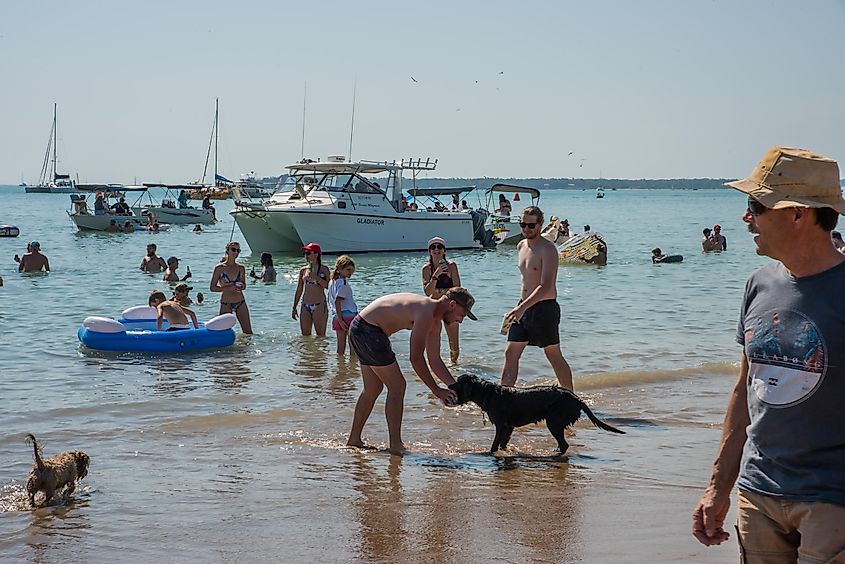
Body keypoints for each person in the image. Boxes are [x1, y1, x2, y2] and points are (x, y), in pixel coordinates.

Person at [692, 146, 845, 560]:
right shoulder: (758, 285)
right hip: (758, 491)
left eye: (756, 206)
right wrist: (718, 487)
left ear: (798, 213)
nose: (747, 218)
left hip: (833, 499)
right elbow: (745, 389)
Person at [346, 288, 475, 455]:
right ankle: (395, 445)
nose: (461, 320)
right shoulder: (426, 311)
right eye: (462, 315)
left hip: (360, 329)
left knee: (373, 389)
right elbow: (416, 358)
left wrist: (454, 387)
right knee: (398, 386)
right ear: (452, 304)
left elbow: (434, 360)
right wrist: (436, 390)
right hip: (369, 331)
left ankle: (354, 440)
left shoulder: (434, 322)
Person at [501, 206, 573, 390]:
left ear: (540, 225)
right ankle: (503, 398)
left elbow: (546, 285)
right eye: (523, 225)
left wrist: (522, 308)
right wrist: (521, 307)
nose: (526, 229)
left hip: (544, 308)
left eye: (531, 225)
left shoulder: (548, 249)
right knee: (510, 354)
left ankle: (571, 399)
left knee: (553, 355)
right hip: (522, 306)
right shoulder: (521, 245)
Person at [421, 236, 463, 364]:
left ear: (444, 250)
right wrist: (436, 276)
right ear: (429, 252)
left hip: (450, 307)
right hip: (434, 307)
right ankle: (434, 365)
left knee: (454, 343)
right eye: (433, 247)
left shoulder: (452, 266)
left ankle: (454, 367)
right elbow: (428, 292)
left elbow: (457, 289)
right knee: (433, 340)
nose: (436, 250)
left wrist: (440, 290)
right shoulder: (426, 269)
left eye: (439, 247)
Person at [210, 241, 252, 334]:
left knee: (248, 332)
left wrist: (241, 286)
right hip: (226, 303)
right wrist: (228, 288)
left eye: (238, 250)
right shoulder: (219, 268)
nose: (236, 252)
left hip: (240, 302)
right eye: (233, 249)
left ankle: (247, 348)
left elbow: (244, 285)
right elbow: (212, 288)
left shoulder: (241, 268)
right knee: (222, 332)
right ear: (227, 251)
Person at [292, 242, 330, 336]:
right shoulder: (303, 270)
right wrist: (294, 307)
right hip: (305, 304)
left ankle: (320, 351)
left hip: (319, 304)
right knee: (305, 337)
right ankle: (307, 351)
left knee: (320, 336)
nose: (306, 255)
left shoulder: (324, 269)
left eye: (308, 253)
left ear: (316, 254)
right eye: (305, 253)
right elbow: (299, 290)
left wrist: (316, 278)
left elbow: (329, 286)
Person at [328, 255, 358, 355]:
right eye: (348, 270)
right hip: (348, 315)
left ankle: (341, 367)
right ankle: (352, 368)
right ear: (340, 269)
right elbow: (338, 301)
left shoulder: (332, 282)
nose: (350, 273)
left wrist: (339, 319)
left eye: (352, 271)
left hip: (336, 315)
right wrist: (341, 320)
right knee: (353, 346)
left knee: (340, 347)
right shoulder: (344, 283)